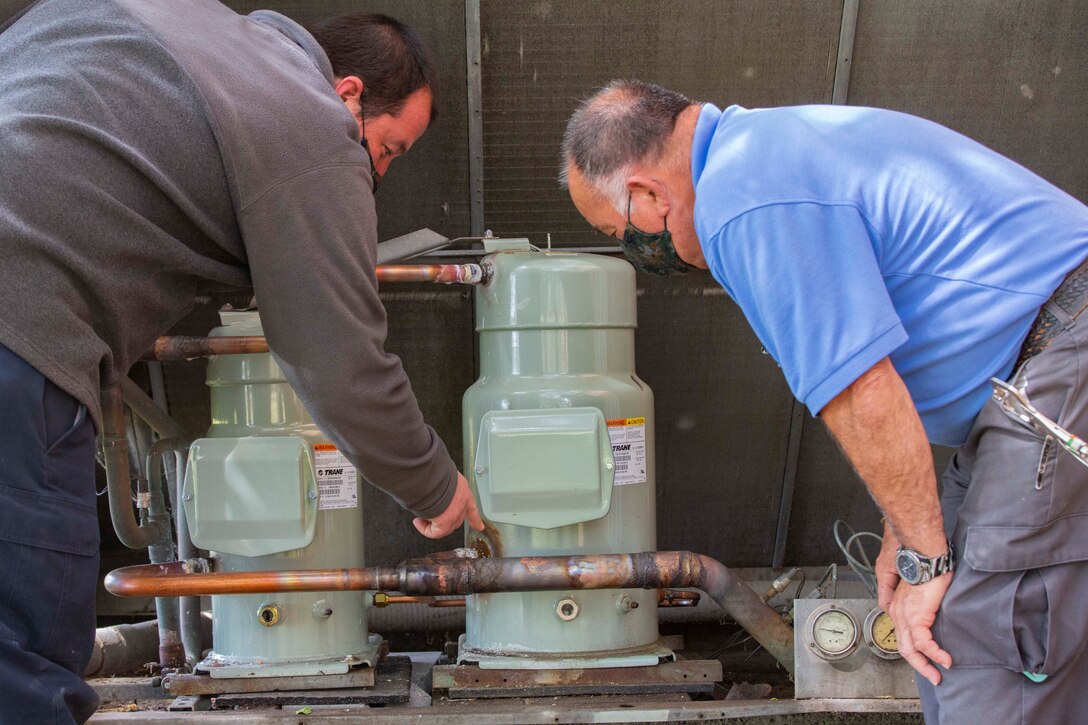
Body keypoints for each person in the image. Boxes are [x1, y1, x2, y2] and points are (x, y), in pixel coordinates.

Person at [0, 1, 483, 722]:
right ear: (347, 93)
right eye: (387, 150)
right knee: (24, 649)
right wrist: (438, 489)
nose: (374, 173)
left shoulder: (161, 22)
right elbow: (340, 359)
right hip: (21, 327)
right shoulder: (311, 121)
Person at [561, 79, 1088, 723]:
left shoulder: (743, 199)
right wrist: (909, 526)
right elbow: (891, 374)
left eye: (621, 230)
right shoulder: (768, 150)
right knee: (977, 624)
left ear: (647, 194)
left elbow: (860, 387)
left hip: (1059, 361)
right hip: (1034, 371)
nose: (635, 247)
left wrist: (927, 557)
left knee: (983, 642)